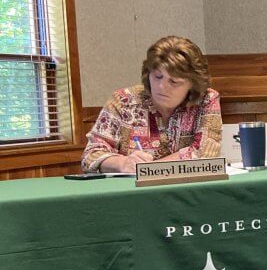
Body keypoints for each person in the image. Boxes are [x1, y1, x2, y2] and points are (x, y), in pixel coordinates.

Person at [82, 36, 222, 173]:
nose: (161, 87)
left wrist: (149, 170)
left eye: (174, 81)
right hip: (131, 187)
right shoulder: (123, 101)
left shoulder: (206, 100)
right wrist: (122, 163)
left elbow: (206, 152)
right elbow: (90, 156)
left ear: (193, 84)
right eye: (157, 76)